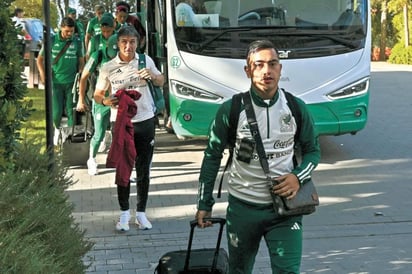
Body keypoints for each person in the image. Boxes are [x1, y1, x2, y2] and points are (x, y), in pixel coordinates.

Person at [195, 40, 321, 273]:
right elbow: (212, 155)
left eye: (273, 64)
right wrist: (204, 203)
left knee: (288, 271)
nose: (266, 71)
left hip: (285, 211)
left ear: (280, 69)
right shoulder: (231, 109)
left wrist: (297, 177)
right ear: (248, 70)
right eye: (259, 65)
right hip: (243, 209)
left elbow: (313, 151)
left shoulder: (295, 107)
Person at [94, 26, 164, 231]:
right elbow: (98, 94)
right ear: (117, 43)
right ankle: (124, 213)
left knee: (144, 170)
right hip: (122, 123)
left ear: (137, 43)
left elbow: (161, 81)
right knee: (123, 169)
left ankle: (141, 214)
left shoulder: (146, 60)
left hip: (146, 121)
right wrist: (107, 101)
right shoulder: (108, 67)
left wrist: (151, 75)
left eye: (132, 42)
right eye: (124, 41)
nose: (128, 46)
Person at [77, 15, 116, 176]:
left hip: (118, 100)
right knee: (98, 132)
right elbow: (84, 76)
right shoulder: (97, 53)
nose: (106, 34)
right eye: (104, 31)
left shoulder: (124, 50)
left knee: (121, 134)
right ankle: (91, 160)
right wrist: (81, 98)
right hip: (101, 97)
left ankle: (122, 165)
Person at [37, 17, 85, 145]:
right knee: (56, 112)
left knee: (71, 110)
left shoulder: (77, 41)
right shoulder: (51, 40)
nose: (69, 34)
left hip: (72, 82)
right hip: (56, 82)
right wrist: (43, 75)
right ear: (61, 28)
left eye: (72, 31)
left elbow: (81, 59)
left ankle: (68, 137)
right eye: (67, 31)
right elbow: (39, 59)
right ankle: (57, 130)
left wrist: (81, 72)